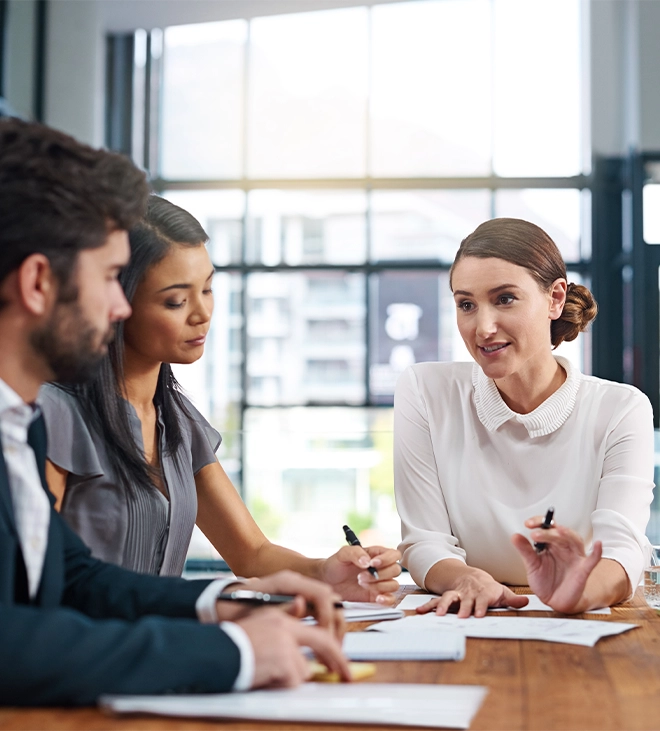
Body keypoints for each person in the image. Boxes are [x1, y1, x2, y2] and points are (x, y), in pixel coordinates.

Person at [0, 118, 350, 706]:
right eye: (112, 278)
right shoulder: (51, 419)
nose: (118, 307)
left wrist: (228, 602)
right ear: (38, 282)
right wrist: (234, 652)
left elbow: (73, 576)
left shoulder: (20, 427)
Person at [40, 195, 401, 602]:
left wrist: (325, 572)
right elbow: (37, 579)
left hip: (167, 645)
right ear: (116, 301)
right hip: (90, 654)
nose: (202, 313)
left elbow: (251, 553)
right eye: (175, 300)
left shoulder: (178, 420)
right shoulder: (54, 415)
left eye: (208, 289)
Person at [393, 217, 654, 617]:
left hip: (574, 628)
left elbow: (623, 552)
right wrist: (467, 578)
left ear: (554, 299)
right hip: (466, 620)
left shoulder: (620, 409)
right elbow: (423, 540)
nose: (483, 328)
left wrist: (578, 592)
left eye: (505, 299)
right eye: (466, 304)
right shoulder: (426, 391)